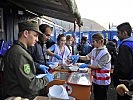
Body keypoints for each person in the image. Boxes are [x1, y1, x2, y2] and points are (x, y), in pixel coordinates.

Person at [3, 21, 54, 99]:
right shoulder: (20, 54)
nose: (37, 39)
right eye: (35, 35)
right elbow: (31, 85)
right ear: (26, 33)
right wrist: (46, 79)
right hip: (21, 96)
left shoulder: (18, 50)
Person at [70, 33, 111, 100]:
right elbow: (87, 57)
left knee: (101, 97)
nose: (92, 43)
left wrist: (87, 65)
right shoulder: (94, 50)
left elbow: (99, 66)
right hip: (95, 79)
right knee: (96, 96)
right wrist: (78, 57)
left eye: (94, 41)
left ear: (100, 41)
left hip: (103, 81)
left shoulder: (105, 54)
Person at [113, 22, 133, 100]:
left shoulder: (125, 46)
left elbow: (124, 68)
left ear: (124, 33)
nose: (117, 35)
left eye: (118, 33)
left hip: (125, 84)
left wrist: (118, 82)